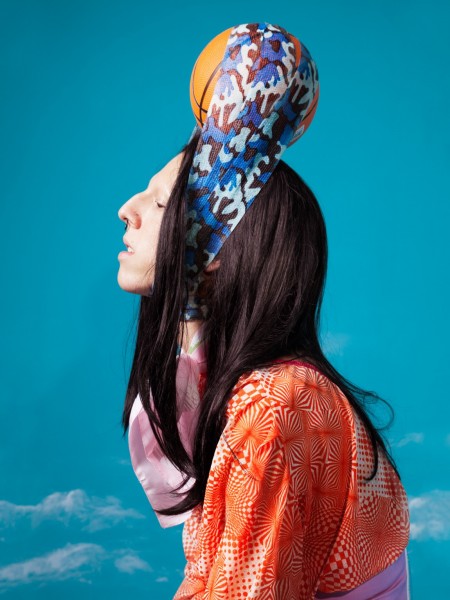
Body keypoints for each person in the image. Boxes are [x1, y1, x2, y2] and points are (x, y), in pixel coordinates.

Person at [117, 22, 411, 599]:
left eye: (159, 201)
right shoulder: (260, 394)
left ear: (219, 252)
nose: (127, 209)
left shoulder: (276, 405)